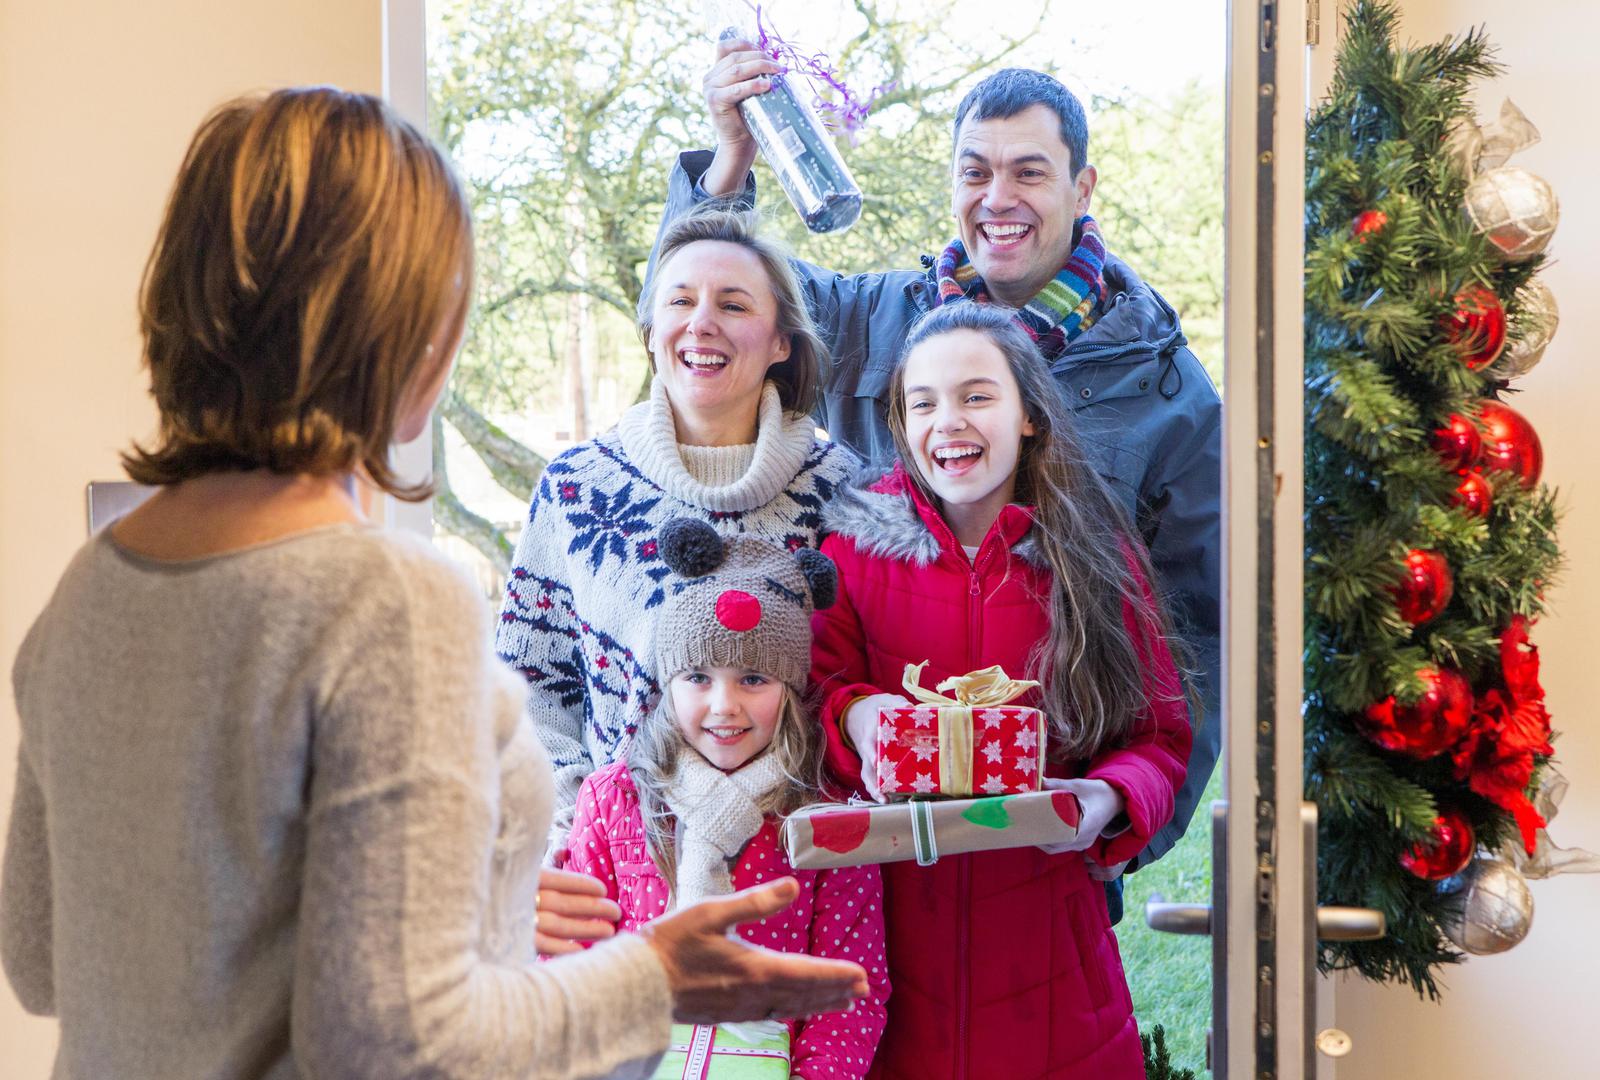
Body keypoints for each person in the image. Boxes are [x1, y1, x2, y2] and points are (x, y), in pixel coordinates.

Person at [0, 87, 867, 1080]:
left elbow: (43, 959)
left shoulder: (91, 588)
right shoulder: (384, 602)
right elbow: (392, 1041)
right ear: (399, 323)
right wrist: (651, 979)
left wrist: (482, 908)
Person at [653, 59, 1221, 894]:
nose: (998, 197)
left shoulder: (1163, 389)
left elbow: (1197, 641)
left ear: (1083, 186)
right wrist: (729, 164)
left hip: (1049, 860)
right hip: (876, 863)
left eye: (1029, 172)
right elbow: (714, 302)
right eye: (975, 171)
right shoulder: (869, 321)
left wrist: (1121, 828)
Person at [809, 303, 1193, 1078]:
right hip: (889, 969)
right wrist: (860, 717)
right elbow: (814, 698)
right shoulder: (852, 550)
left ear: (1028, 414)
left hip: (1054, 973)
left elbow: (1160, 739)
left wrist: (1105, 800)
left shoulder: (1094, 552)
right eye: (924, 403)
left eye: (977, 395)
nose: (948, 421)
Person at [495, 207, 858, 866]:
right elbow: (527, 684)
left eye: (733, 304)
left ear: (782, 341)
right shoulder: (577, 489)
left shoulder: (843, 491)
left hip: (803, 869)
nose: (702, 323)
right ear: (651, 331)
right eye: (681, 301)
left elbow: (857, 678)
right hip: (618, 867)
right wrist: (580, 825)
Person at [563, 520, 889, 1078]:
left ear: (789, 690)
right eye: (698, 676)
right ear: (668, 683)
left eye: (753, 679)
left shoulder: (828, 820)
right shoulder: (615, 799)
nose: (723, 705)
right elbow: (571, 955)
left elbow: (851, 994)